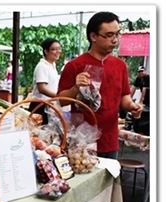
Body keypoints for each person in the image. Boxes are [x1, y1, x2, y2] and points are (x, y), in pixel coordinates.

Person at [57, 11, 142, 159]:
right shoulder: (74, 65)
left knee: (109, 181)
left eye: (117, 34)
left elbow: (124, 97)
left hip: (110, 138)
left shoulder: (120, 65)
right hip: (82, 140)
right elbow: (61, 100)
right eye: (109, 35)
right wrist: (75, 88)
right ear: (93, 36)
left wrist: (132, 106)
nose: (115, 40)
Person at [29, 38, 62, 125]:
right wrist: (59, 96)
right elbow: (42, 88)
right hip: (40, 106)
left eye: (59, 48)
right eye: (54, 49)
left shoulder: (52, 65)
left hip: (50, 106)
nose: (58, 51)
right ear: (46, 51)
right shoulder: (42, 66)